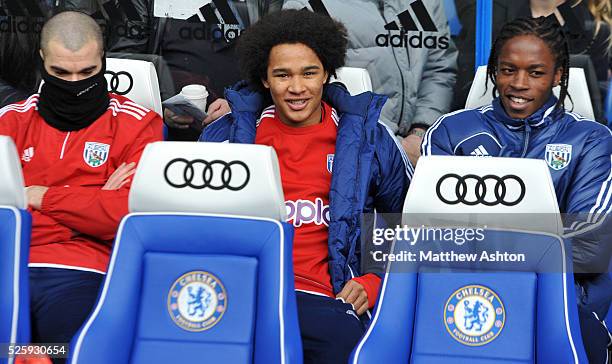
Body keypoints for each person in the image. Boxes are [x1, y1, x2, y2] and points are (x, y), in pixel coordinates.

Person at [200, 9, 412, 363]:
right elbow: (190, 221)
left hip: (327, 297)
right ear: (265, 79)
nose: (297, 88)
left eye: (309, 73)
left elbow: (404, 222)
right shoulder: (227, 137)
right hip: (241, 292)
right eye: (282, 75)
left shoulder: (369, 140)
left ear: (327, 73)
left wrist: (374, 281)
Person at [422, 16, 612, 363]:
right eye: (508, 70)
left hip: (562, 298)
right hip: (465, 293)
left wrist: (491, 247)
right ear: (494, 70)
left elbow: (590, 243)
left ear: (558, 76)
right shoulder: (452, 131)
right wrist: (531, 247)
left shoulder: (591, 139)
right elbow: (430, 234)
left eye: (536, 72)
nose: (519, 83)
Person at [0, 10, 162, 361]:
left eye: (87, 72)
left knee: (72, 354)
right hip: (7, 265)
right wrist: (92, 201)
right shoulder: (11, 120)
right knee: (8, 352)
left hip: (83, 272)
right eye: (60, 72)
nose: (74, 82)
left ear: (102, 61)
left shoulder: (139, 124)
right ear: (42, 60)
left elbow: (126, 216)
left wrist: (37, 197)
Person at [282, 0, 458, 167]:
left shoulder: (426, 3)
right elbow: (309, 88)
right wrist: (394, 146)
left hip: (418, 150)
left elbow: (439, 68)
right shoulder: (307, 5)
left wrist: (421, 131)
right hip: (350, 152)